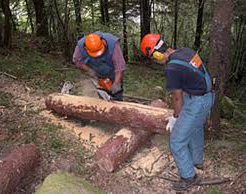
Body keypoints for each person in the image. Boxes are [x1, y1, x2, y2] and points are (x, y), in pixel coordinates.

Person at [140, 34, 214, 191]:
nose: (155, 61)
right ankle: (196, 161)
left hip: (197, 102)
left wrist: (175, 117)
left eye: (153, 58)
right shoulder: (185, 51)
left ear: (156, 53)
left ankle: (189, 177)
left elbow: (177, 98)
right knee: (196, 128)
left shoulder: (172, 67)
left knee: (177, 141)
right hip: (206, 96)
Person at [73, 31, 126, 101]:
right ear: (86, 47)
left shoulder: (113, 43)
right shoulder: (80, 46)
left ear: (103, 41)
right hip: (95, 70)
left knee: (116, 93)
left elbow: (120, 66)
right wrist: (89, 70)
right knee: (100, 93)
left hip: (112, 71)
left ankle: (118, 104)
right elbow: (77, 60)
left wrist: (116, 83)